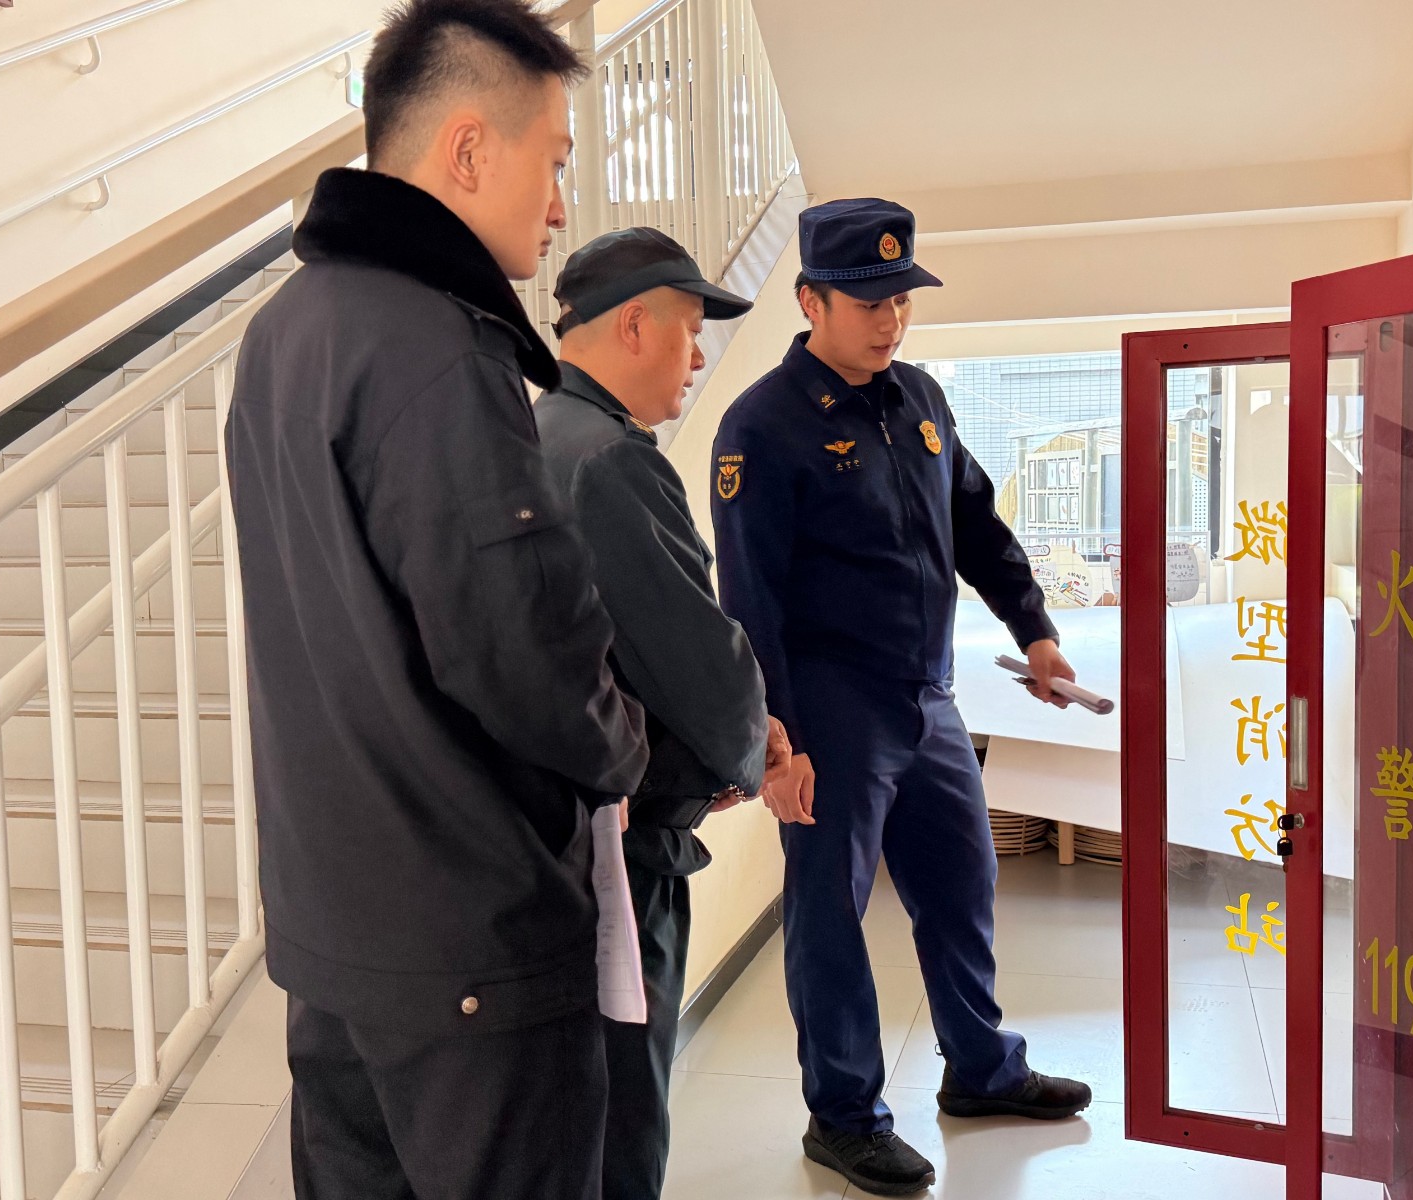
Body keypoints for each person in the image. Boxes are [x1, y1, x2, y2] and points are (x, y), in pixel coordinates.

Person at [225, 3, 649, 1197]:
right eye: (552, 163)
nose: (560, 206)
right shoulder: (439, 348)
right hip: (472, 945)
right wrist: (632, 750)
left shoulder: (281, 335)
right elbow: (518, 647)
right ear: (468, 150)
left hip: (335, 932)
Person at [710, 198, 1094, 1196]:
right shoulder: (761, 425)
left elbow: (974, 522)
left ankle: (982, 1071)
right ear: (811, 301)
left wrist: (1034, 629)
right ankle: (842, 1116)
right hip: (830, 708)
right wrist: (774, 741)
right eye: (868, 301)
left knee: (963, 882)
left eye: (901, 299)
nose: (890, 320)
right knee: (830, 913)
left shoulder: (918, 397)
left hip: (928, 698)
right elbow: (748, 600)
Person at [535, 227, 792, 1200]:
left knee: (574, 1109)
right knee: (624, 1112)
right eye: (689, 330)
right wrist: (753, 754)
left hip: (558, 834)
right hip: (624, 850)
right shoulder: (610, 460)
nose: (698, 355)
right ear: (634, 325)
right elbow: (693, 650)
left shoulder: (536, 435)